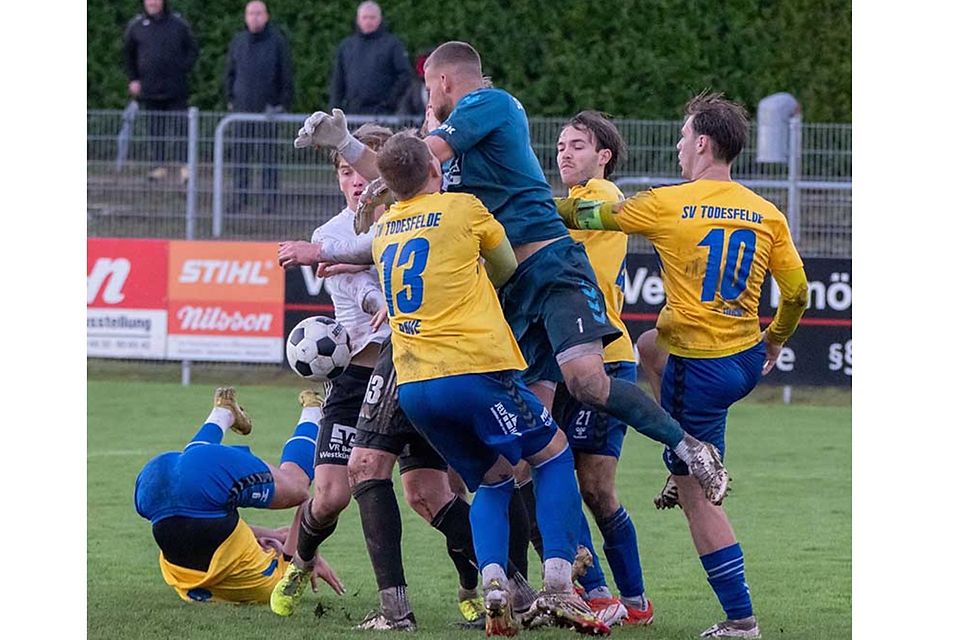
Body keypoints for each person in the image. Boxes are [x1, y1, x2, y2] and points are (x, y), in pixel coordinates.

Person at [294, 41, 731, 510]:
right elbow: (406, 172)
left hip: (551, 268)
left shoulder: (490, 103)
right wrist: (346, 146)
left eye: (429, 89)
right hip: (509, 288)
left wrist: (361, 150)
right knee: (526, 451)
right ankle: (557, 555)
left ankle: (691, 448)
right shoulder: (449, 155)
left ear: (443, 81)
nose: (428, 100)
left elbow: (419, 155)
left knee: (587, 383)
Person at [554, 91, 810, 639]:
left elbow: (590, 213)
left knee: (700, 501)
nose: (677, 145)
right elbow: (797, 293)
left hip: (700, 366)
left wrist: (537, 207)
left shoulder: (667, 203)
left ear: (703, 143)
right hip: (743, 359)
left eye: (683, 135)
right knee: (650, 344)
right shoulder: (766, 211)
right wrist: (774, 341)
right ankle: (686, 458)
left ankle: (740, 620)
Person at [370, 132, 610, 636]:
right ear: (434, 170)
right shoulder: (463, 208)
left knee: (493, 479)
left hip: (414, 387)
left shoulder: (384, 229)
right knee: (553, 454)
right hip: (473, 371)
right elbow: (505, 266)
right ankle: (559, 585)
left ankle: (495, 585)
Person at [271, 124, 492, 630]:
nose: (356, 180)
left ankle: (476, 583)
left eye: (362, 169)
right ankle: (300, 563)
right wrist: (377, 299)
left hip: (409, 370)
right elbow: (356, 290)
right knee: (331, 494)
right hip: (354, 377)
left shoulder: (415, 219)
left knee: (429, 495)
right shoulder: (329, 235)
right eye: (345, 171)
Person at [543, 111, 653, 626]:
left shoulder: (602, 197)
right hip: (562, 358)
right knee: (557, 477)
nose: (565, 153)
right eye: (561, 145)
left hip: (603, 358)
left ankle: (631, 597)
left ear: (603, 157)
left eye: (578, 145)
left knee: (595, 487)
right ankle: (596, 590)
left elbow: (551, 231)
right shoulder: (569, 202)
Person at [133, 387, 344, 604]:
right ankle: (226, 412)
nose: (269, 540)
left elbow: (307, 511)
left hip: (195, 491)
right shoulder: (213, 579)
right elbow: (206, 531)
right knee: (195, 466)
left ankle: (311, 410)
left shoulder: (271, 583)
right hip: (154, 488)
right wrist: (293, 546)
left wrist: (307, 554)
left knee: (296, 487)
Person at [224, 1, 294, 213]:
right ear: (246, 17)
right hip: (242, 110)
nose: (254, 17)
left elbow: (286, 75)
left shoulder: (277, 42)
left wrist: (280, 104)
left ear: (266, 16)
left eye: (258, 13)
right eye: (251, 13)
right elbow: (230, 72)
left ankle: (270, 199)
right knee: (240, 156)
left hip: (268, 112)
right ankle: (240, 196)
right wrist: (231, 98)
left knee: (268, 157)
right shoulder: (238, 42)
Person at [123, 0, 198, 182]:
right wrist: (133, 79)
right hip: (149, 89)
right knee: (155, 128)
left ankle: (185, 167)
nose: (152, 2)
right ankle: (158, 167)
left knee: (180, 127)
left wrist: (181, 69)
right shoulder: (136, 26)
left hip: (176, 88)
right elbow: (128, 55)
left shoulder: (178, 24)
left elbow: (192, 50)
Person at [328, 2, 412, 115]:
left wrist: (390, 102)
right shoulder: (346, 46)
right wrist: (334, 110)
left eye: (372, 17)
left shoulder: (393, 45)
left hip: (383, 114)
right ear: (358, 20)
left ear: (380, 19)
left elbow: (405, 76)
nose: (368, 21)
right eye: (365, 17)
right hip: (353, 113)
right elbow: (338, 81)